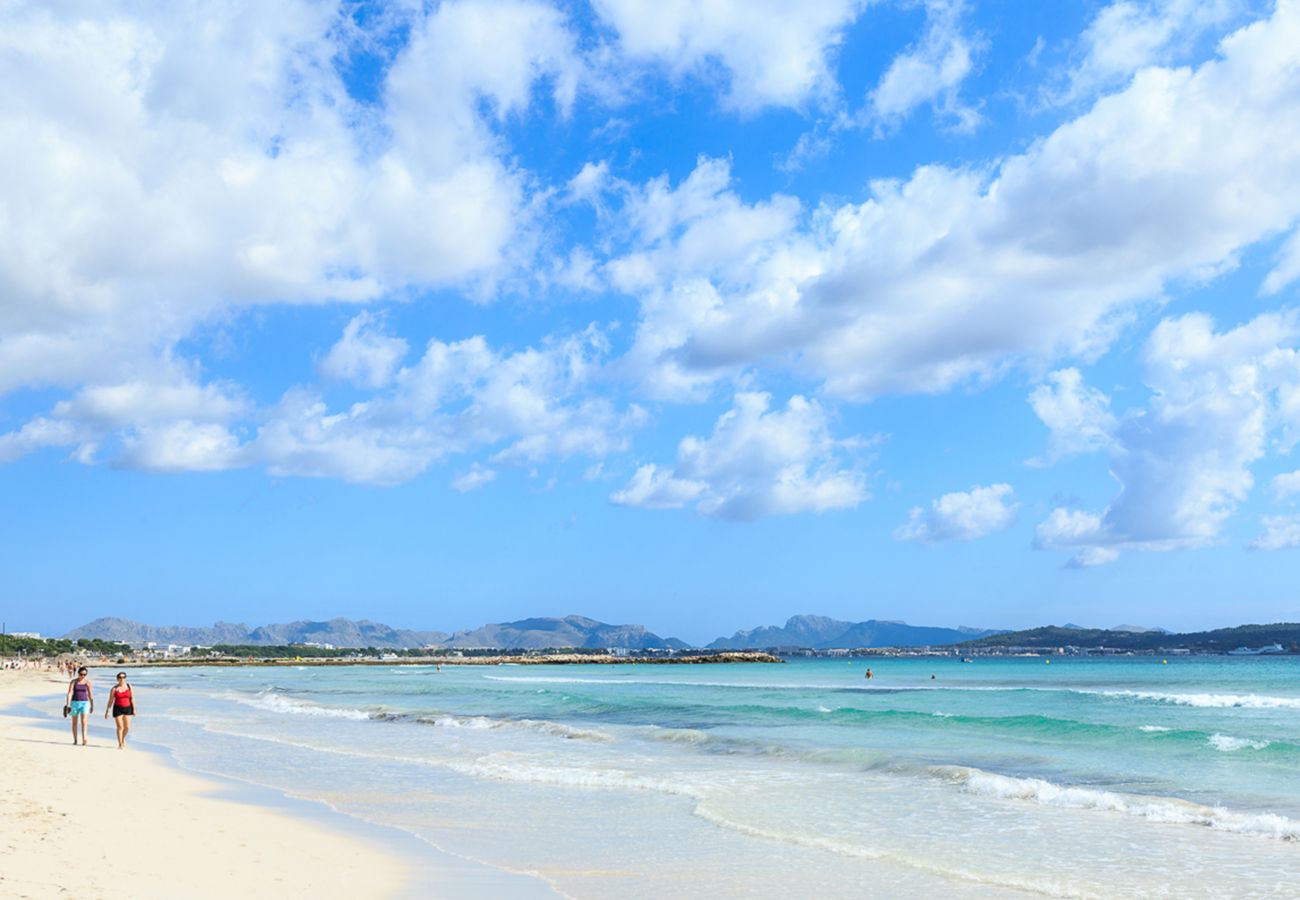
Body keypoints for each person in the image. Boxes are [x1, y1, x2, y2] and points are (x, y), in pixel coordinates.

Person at [105, 672, 136, 749]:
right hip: (117, 708)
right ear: (117, 679)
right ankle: (120, 744)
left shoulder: (129, 686)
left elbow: (132, 698)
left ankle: (122, 739)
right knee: (120, 727)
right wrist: (107, 711)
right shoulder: (114, 689)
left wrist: (134, 709)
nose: (122, 679)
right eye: (120, 677)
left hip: (128, 708)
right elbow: (110, 701)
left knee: (127, 727)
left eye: (123, 677)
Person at [65, 667, 93, 745]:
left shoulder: (88, 683)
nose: (83, 676)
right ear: (78, 673)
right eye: (81, 674)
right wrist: (68, 704)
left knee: (84, 722)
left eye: (84, 674)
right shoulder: (73, 682)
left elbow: (90, 694)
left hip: (85, 703)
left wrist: (92, 704)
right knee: (74, 723)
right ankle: (75, 739)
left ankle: (84, 739)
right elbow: (70, 693)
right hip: (74, 703)